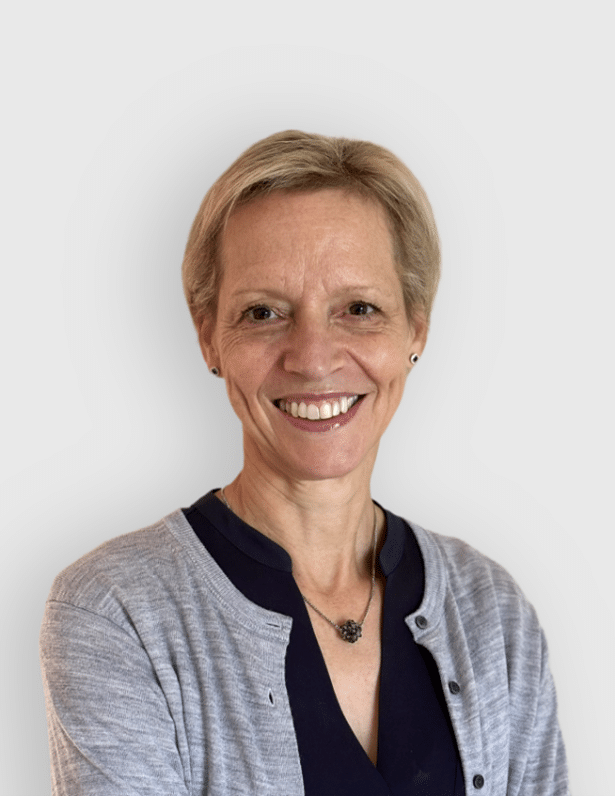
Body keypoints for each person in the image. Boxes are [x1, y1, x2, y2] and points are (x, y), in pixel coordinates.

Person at [40, 130, 570, 795]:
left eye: (359, 309)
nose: (313, 357)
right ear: (208, 336)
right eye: (263, 313)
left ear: (416, 331)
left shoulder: (492, 613)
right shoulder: (119, 612)